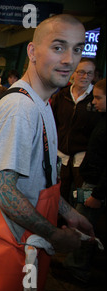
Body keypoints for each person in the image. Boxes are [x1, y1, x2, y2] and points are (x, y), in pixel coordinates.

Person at [0, 14, 95, 291]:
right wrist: (54, 234)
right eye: (58, 47)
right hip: (12, 251)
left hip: (28, 247)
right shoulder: (20, 109)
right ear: (32, 51)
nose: (69, 60)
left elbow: (39, 180)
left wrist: (69, 213)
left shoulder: (41, 102)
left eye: (77, 49)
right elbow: (3, 191)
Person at [63, 79, 106, 283]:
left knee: (84, 224)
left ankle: (77, 269)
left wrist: (98, 195)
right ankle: (73, 263)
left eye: (98, 97)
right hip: (88, 182)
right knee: (79, 215)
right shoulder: (101, 118)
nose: (94, 101)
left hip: (96, 187)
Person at [51, 58, 100, 204]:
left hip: (83, 159)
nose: (85, 77)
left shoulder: (96, 98)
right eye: (81, 72)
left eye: (89, 73)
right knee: (58, 196)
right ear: (73, 73)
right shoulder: (62, 95)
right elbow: (53, 122)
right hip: (61, 156)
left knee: (80, 199)